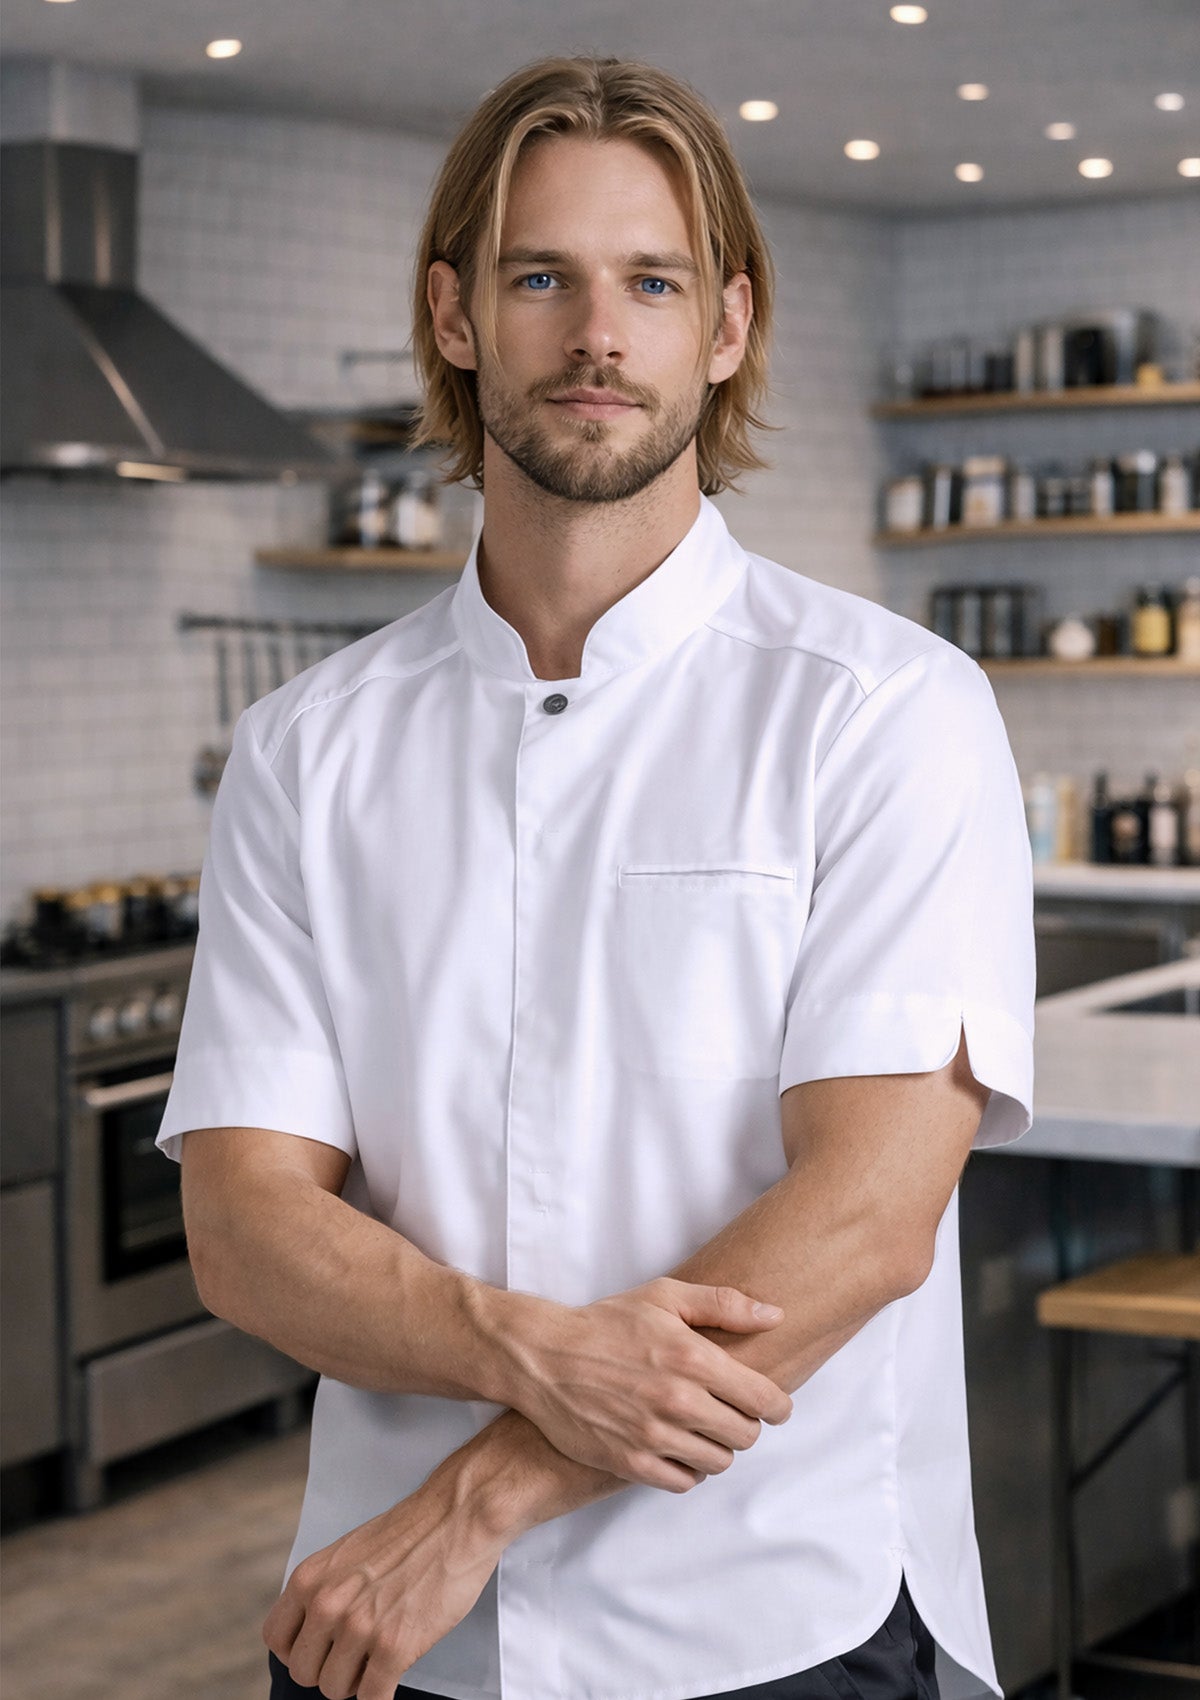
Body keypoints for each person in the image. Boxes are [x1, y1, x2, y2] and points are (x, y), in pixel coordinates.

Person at [159, 54, 1034, 1700]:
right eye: (540, 276)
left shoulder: (889, 710)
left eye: (653, 280)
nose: (598, 334)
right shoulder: (305, 749)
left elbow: (863, 1219)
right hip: (396, 1648)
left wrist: (477, 1499)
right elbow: (244, 1227)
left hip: (774, 1622)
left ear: (726, 329)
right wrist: (533, 1355)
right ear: (454, 315)